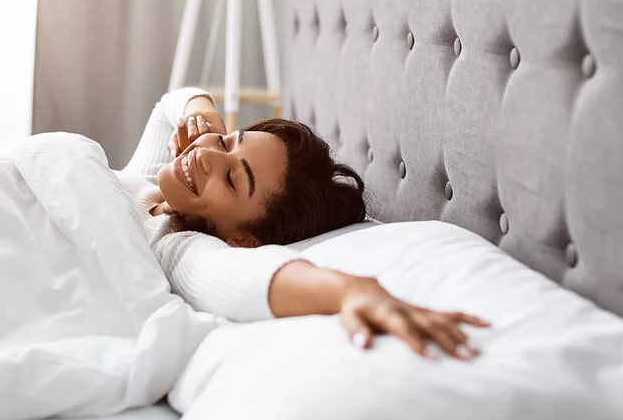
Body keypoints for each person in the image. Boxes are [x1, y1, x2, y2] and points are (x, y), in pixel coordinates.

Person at [116, 88, 489, 359]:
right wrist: (205, 115)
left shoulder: (173, 247)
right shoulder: (149, 181)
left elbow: (242, 277)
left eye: (232, 179)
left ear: (242, 238)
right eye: (229, 141)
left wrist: (350, 290)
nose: (207, 154)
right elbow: (170, 104)